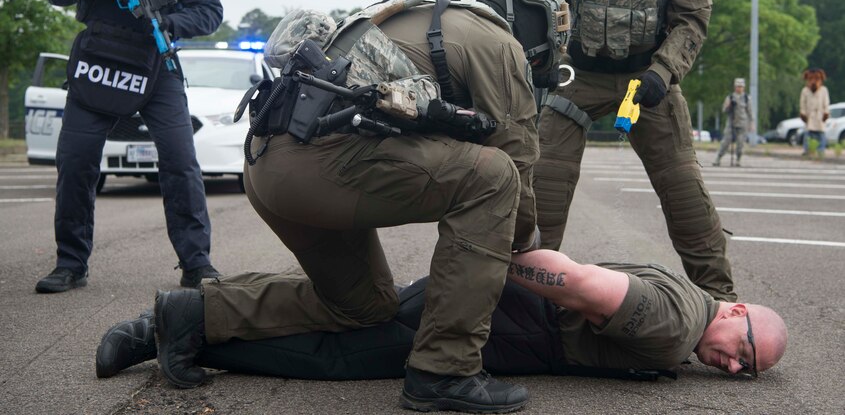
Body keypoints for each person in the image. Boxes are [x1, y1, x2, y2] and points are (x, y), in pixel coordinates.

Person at [141, 0, 569, 413]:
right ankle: (445, 371)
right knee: (494, 178)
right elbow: (516, 162)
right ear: (538, 27)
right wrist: (523, 248)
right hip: (320, 169)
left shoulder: (412, 15)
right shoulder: (499, 43)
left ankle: (195, 314)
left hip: (268, 167)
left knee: (365, 306)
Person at [528, 0, 736, 302]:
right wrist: (540, 60)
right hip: (577, 76)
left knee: (684, 191)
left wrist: (665, 71)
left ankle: (719, 303)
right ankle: (523, 300)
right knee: (544, 183)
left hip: (648, 78)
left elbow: (693, 15)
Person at [95, 249, 788, 384]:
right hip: (496, 318)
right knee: (338, 343)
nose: (730, 364)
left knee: (347, 322)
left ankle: (186, 329)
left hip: (495, 316)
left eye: (742, 371)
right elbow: (570, 277)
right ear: (735, 310)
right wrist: (482, 257)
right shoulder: (671, 322)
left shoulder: (688, 308)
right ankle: (177, 319)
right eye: (740, 349)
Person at [36, 0, 223, 293]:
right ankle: (71, 263)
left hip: (157, 64)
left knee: (180, 163)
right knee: (77, 163)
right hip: (99, 62)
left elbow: (210, 10)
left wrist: (172, 23)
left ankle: (197, 263)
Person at [713, 78, 753, 166]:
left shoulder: (747, 98)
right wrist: (729, 106)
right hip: (731, 123)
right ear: (735, 87)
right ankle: (718, 158)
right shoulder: (730, 97)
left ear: (744, 87)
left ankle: (738, 160)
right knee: (725, 142)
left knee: (740, 143)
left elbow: (750, 112)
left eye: (741, 86)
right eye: (738, 86)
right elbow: (724, 110)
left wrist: (751, 124)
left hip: (742, 123)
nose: (739, 88)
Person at [799, 68, 830, 157]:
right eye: (810, 79)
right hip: (810, 117)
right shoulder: (805, 91)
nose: (813, 82)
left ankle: (821, 151)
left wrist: (826, 113)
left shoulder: (824, 90)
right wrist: (803, 113)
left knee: (821, 134)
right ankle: (807, 150)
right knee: (808, 134)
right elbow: (802, 103)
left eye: (816, 79)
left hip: (820, 116)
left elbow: (826, 103)